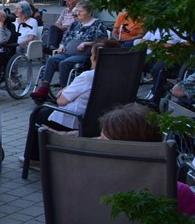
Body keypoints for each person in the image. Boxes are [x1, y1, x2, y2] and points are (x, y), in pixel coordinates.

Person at [21, 39, 121, 169]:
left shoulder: (89, 76)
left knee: (39, 113)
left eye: (91, 55)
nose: (90, 58)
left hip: (77, 120)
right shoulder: (120, 75)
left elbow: (61, 101)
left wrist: (63, 91)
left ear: (97, 58)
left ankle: (34, 159)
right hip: (105, 119)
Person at [30, 1, 108, 101]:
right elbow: (66, 37)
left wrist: (86, 43)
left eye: (81, 11)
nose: (78, 13)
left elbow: (102, 41)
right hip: (67, 52)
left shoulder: (97, 24)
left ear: (89, 12)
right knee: (52, 60)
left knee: (64, 63)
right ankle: (44, 89)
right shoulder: (75, 24)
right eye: (77, 11)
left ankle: (64, 91)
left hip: (83, 55)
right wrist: (62, 45)